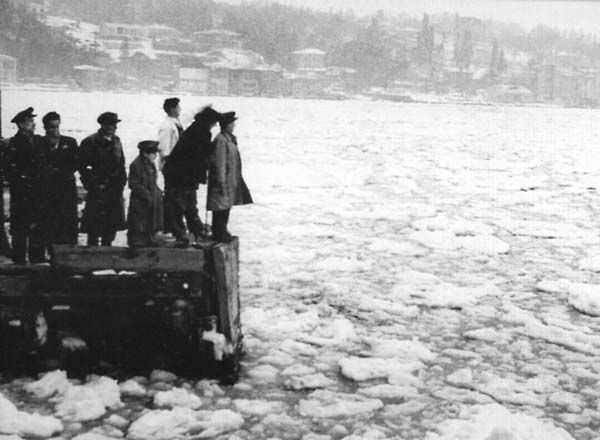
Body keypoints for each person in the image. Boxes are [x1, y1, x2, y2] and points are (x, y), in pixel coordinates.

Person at [163, 106, 221, 245]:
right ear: (209, 121)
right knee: (179, 204)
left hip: (181, 173)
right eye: (214, 122)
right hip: (180, 174)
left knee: (187, 203)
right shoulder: (202, 132)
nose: (215, 125)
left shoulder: (197, 128)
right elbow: (198, 156)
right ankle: (181, 232)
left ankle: (193, 230)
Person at [2, 107, 45, 264]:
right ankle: (19, 258)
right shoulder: (12, 144)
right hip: (21, 191)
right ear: (21, 124)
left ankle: (37, 258)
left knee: (38, 224)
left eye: (33, 121)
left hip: (38, 190)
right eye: (30, 122)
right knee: (20, 226)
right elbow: (8, 169)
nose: (33, 124)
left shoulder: (39, 141)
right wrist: (20, 181)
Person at [79, 112, 127, 247]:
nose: (115, 127)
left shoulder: (116, 141)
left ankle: (107, 250)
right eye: (112, 125)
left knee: (111, 226)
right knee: (94, 226)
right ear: (103, 125)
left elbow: (121, 163)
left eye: (115, 124)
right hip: (98, 189)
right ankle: (92, 253)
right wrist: (92, 185)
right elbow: (83, 168)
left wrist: (122, 181)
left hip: (114, 189)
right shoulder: (90, 142)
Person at [207, 112, 253, 242]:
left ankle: (222, 231)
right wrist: (221, 182)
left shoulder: (228, 139)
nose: (234, 126)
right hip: (223, 181)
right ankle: (219, 233)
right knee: (220, 208)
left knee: (225, 207)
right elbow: (220, 163)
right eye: (232, 123)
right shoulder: (221, 140)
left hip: (230, 180)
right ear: (226, 125)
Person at [37, 112, 79, 252]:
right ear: (45, 127)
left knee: (68, 221)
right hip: (47, 190)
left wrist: (60, 172)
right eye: (51, 127)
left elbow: (75, 163)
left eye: (56, 126)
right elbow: (37, 165)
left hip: (66, 189)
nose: (54, 130)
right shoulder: (39, 143)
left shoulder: (70, 142)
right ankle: (50, 251)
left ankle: (69, 250)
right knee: (49, 221)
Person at [127, 140, 164, 247]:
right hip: (140, 202)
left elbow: (152, 181)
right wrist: (147, 195)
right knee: (139, 224)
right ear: (145, 153)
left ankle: (149, 239)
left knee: (150, 222)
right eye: (153, 153)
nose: (156, 156)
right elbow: (134, 184)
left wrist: (158, 192)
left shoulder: (150, 164)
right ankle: (136, 243)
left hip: (150, 199)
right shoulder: (136, 165)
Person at [157, 97, 183, 171]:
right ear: (172, 110)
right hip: (171, 165)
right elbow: (164, 149)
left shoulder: (176, 123)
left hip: (178, 163)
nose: (180, 109)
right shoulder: (166, 127)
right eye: (178, 107)